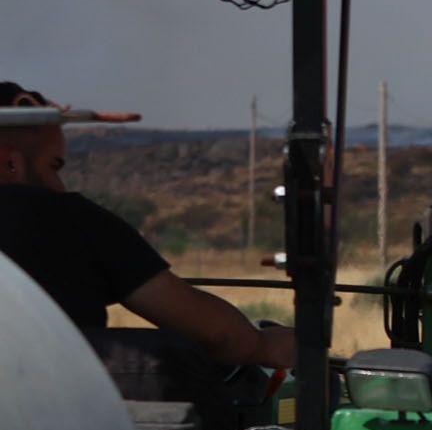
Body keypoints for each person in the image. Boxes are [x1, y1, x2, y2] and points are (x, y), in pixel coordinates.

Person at [0, 82, 296, 370]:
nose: (59, 186)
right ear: (9, 162)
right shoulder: (60, 216)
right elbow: (217, 335)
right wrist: (265, 344)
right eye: (53, 166)